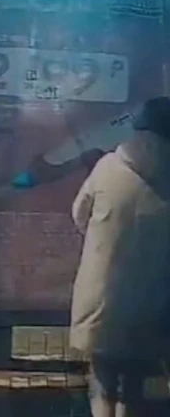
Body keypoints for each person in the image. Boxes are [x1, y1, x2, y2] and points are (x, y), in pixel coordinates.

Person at [70, 96, 170, 417]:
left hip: (103, 295)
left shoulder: (108, 166)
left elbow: (79, 214)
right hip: (153, 297)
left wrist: (103, 241)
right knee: (133, 384)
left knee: (103, 383)